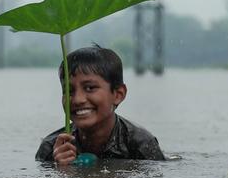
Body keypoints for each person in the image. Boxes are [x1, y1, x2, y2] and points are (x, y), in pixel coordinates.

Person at [35, 45, 165, 165]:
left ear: (118, 94)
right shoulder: (50, 148)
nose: (77, 100)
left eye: (90, 88)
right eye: (69, 91)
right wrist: (61, 171)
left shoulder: (141, 144)